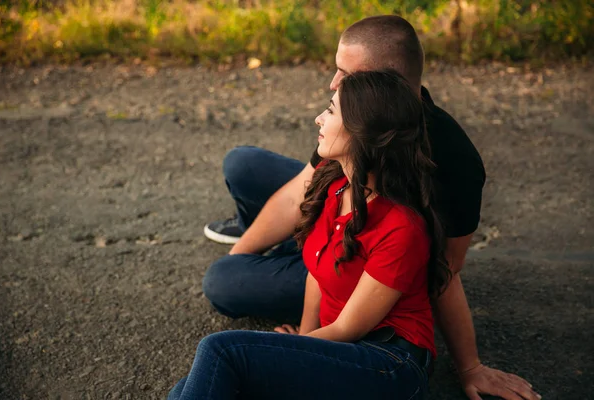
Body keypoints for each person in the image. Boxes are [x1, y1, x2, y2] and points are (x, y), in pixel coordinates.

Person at [202, 16, 540, 400]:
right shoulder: (346, 153)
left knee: (222, 285)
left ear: (382, 87)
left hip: (375, 269)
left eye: (344, 73)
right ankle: (282, 245)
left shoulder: (451, 162)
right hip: (346, 218)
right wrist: (244, 254)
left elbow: (443, 271)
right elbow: (303, 190)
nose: (332, 83)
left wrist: (470, 366)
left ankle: (290, 251)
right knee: (243, 164)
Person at [170, 68, 449, 400]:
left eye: (330, 111)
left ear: (362, 132)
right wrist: (303, 336)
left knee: (222, 352)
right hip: (344, 348)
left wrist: (294, 347)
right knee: (191, 387)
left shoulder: (401, 227)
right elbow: (315, 274)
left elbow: (349, 328)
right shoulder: (333, 186)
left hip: (388, 366)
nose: (318, 118)